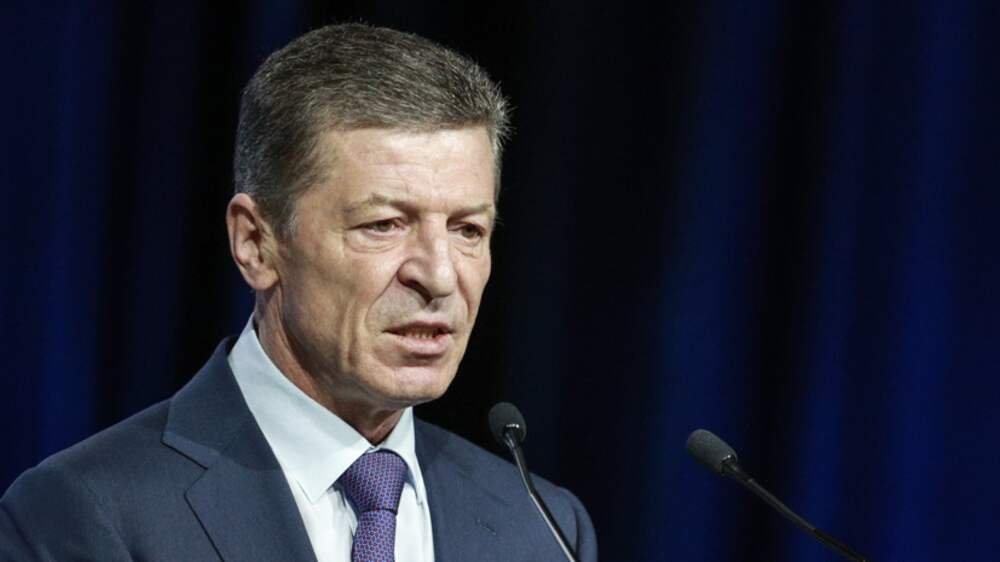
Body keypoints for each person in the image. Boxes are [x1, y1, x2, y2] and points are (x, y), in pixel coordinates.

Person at [0, 23, 597, 562]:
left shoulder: (544, 529)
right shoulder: (88, 514)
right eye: (384, 224)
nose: (440, 277)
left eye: (467, 230)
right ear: (256, 244)